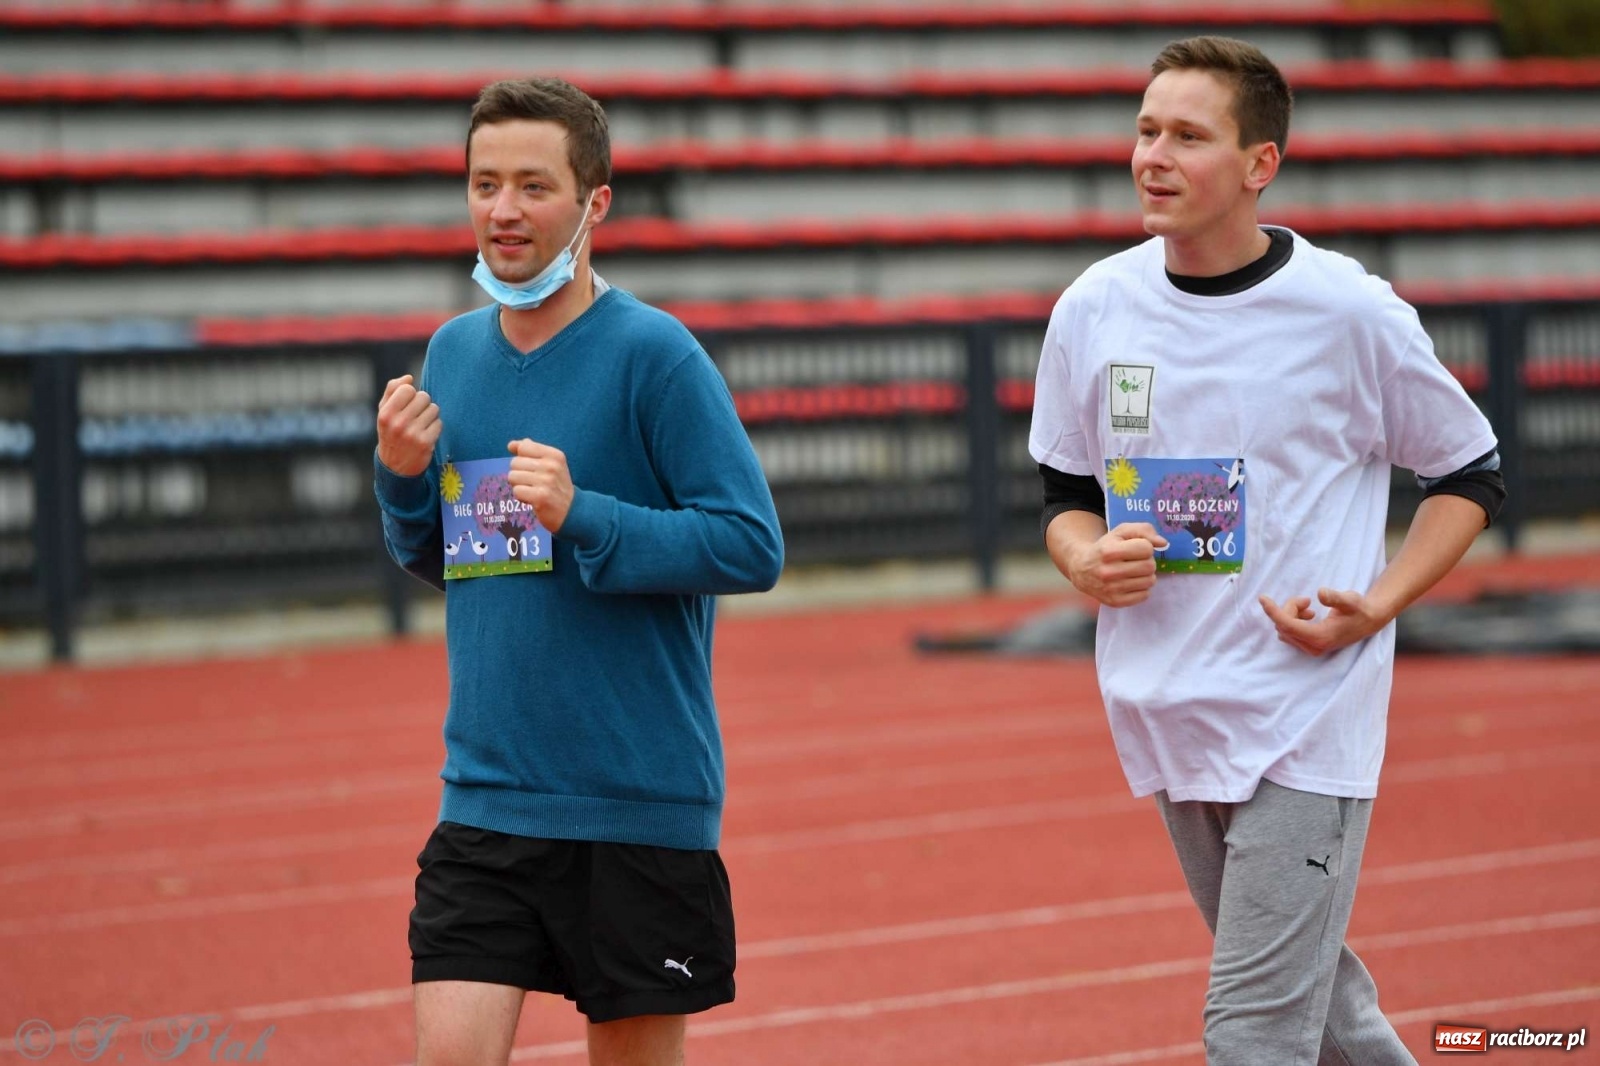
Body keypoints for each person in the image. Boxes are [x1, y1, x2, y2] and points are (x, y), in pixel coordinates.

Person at [1029, 36, 1504, 1066]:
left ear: (1258, 166)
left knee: (1250, 1035)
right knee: (1324, 1015)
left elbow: (1468, 472)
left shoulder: (1347, 312)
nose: (1153, 155)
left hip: (1303, 713)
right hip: (1165, 705)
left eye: (1187, 136)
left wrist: (1377, 603)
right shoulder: (1093, 306)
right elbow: (1065, 492)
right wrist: (1080, 558)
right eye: (1145, 129)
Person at [373, 77, 784, 1066]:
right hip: (485, 796)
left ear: (594, 202)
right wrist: (399, 483)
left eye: (531, 186)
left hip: (634, 804)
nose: (502, 210)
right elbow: (461, 561)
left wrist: (584, 512)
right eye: (482, 184)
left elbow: (748, 544)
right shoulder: (451, 352)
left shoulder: (656, 356)